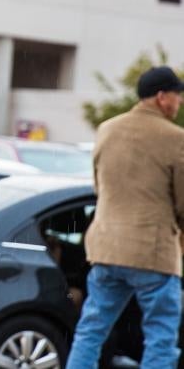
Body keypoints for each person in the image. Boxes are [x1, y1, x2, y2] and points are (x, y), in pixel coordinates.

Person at [65, 65, 184, 369]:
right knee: (160, 337)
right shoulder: (176, 138)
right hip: (153, 252)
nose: (179, 103)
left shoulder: (107, 129)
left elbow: (98, 186)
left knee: (91, 331)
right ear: (161, 97)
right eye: (177, 97)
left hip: (106, 249)